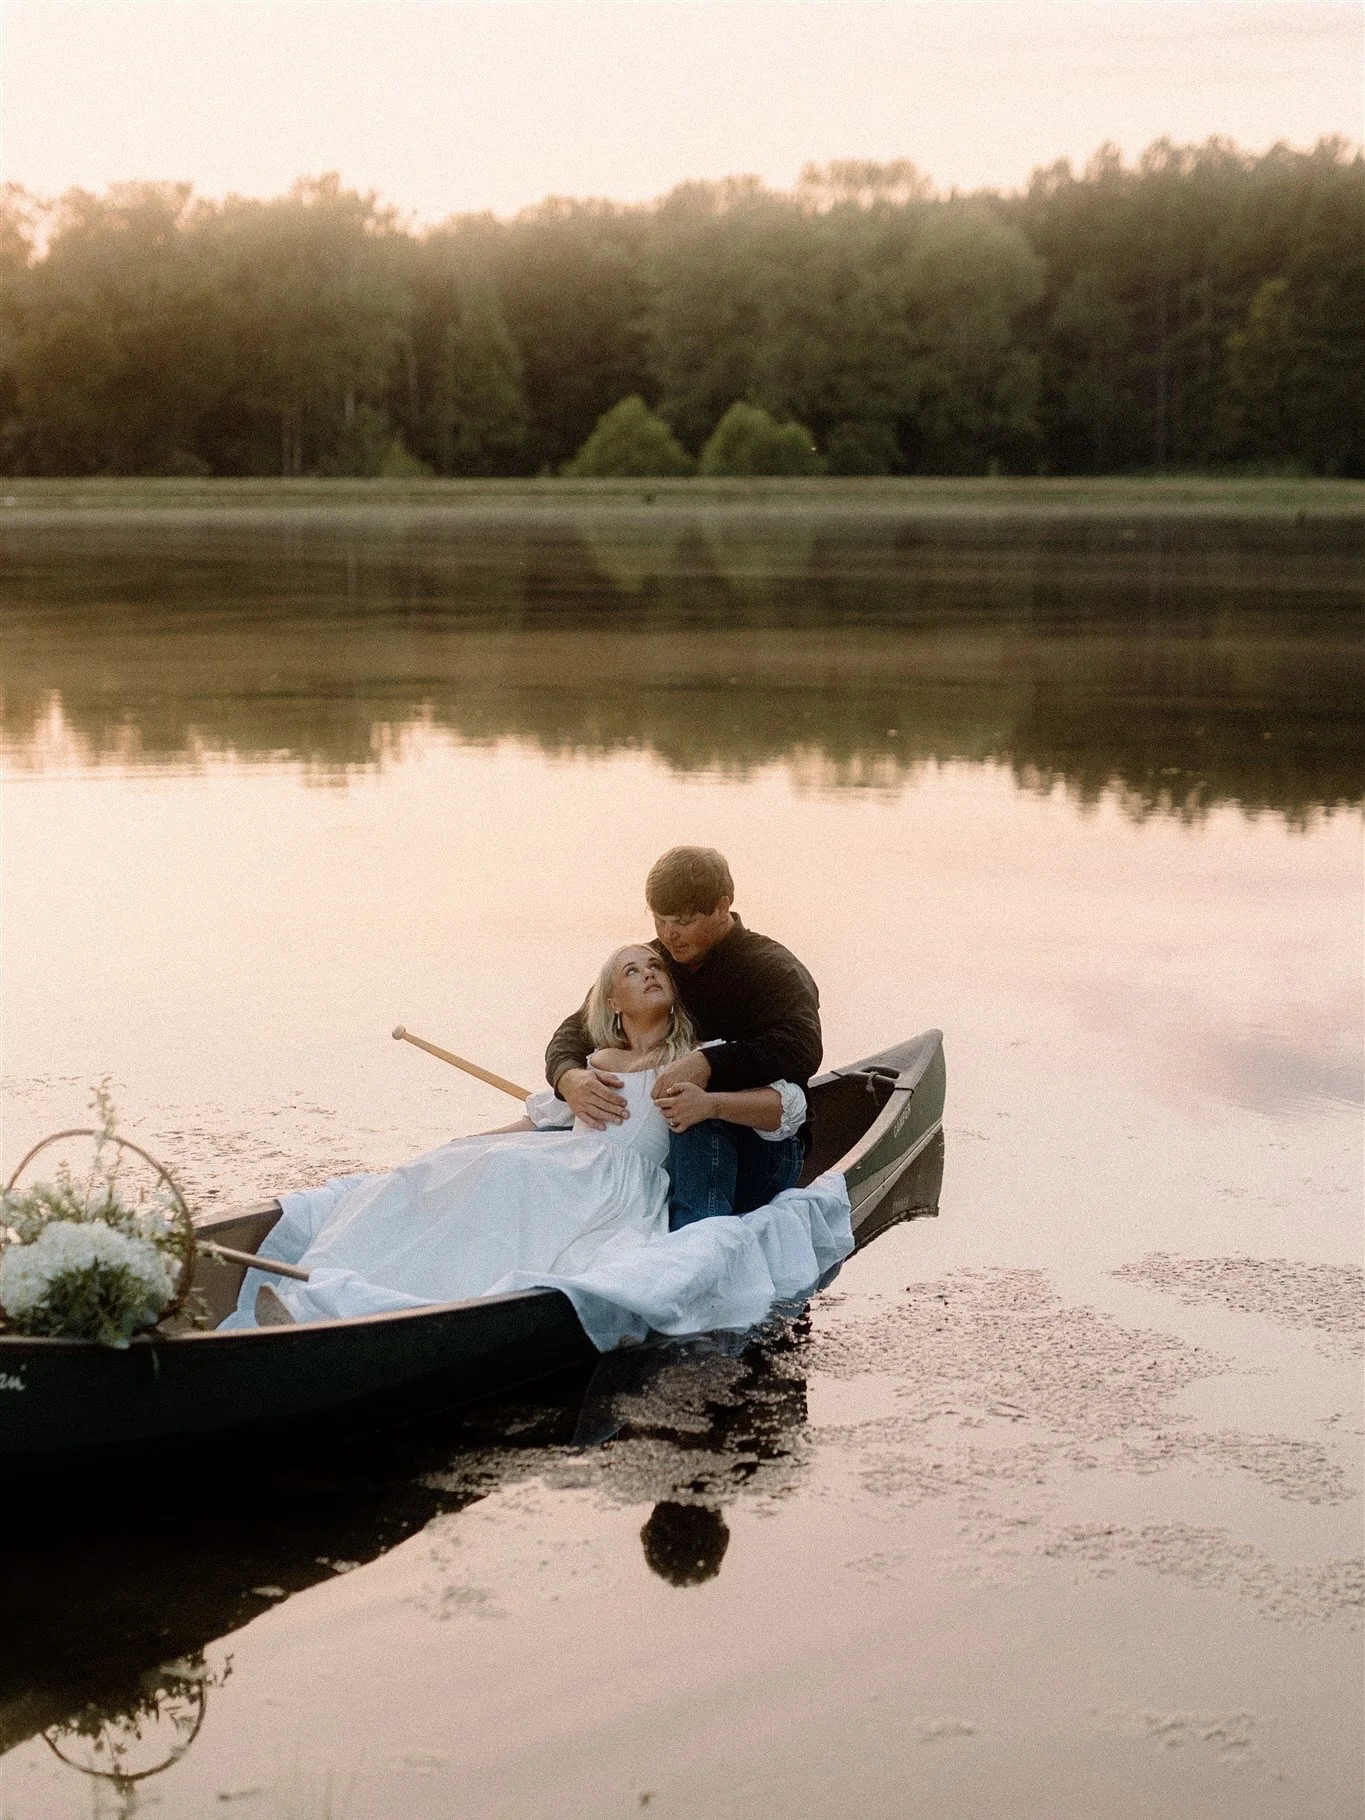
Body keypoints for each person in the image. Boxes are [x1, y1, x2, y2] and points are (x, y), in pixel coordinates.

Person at [227, 942, 806, 1327]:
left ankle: (367, 1312)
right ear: (612, 1001)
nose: (650, 972)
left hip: (618, 1195)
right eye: (633, 970)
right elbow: (538, 1122)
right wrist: (466, 1149)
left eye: (655, 968)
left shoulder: (698, 1057)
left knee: (509, 1203)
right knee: (447, 1174)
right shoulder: (592, 1062)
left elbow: (788, 1106)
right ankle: (317, 1301)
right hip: (560, 1164)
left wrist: (711, 1101)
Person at [546, 847, 822, 1229]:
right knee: (567, 1126)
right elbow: (575, 1031)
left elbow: (801, 1047)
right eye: (660, 920)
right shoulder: (654, 962)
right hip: (667, 1141)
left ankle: (692, 1239)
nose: (668, 935)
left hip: (762, 1146)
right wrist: (568, 1078)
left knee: (689, 1114)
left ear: (723, 906)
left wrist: (707, 1065)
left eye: (683, 921)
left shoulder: (772, 969)